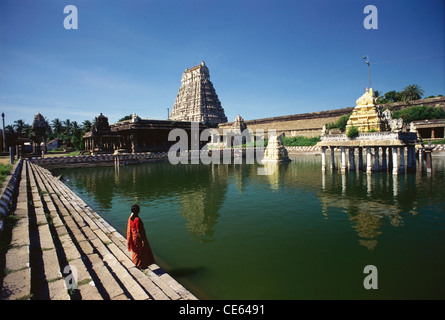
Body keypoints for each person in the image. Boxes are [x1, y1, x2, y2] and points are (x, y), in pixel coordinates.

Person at [127, 204, 155, 269]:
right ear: (137, 211)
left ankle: (137, 263)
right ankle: (139, 264)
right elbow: (139, 230)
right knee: (141, 251)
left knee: (136, 251)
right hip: (138, 237)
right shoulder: (137, 219)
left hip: (133, 236)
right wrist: (143, 240)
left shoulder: (130, 218)